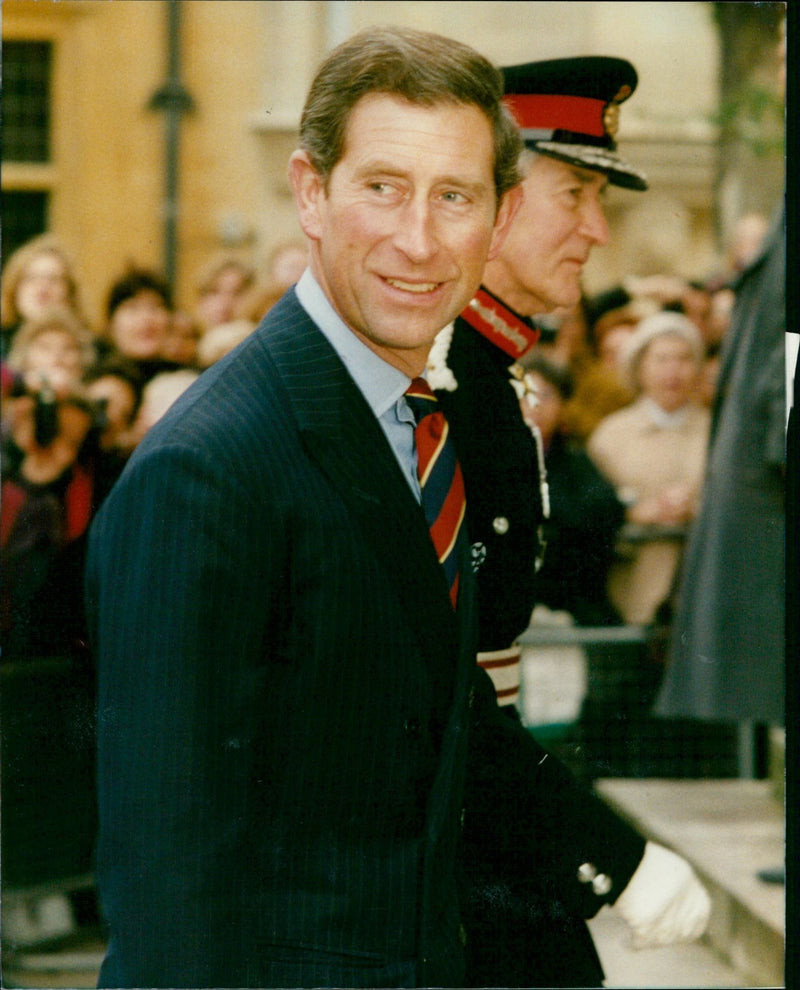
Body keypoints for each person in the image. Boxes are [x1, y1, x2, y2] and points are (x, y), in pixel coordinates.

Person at [86, 29, 708, 989]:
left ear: (494, 220)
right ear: (308, 193)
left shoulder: (412, 412)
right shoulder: (208, 468)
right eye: (383, 187)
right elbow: (170, 877)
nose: (419, 240)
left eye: (453, 197)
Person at [423, 57, 708, 987]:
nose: (596, 229)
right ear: (495, 202)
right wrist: (605, 854)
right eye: (574, 192)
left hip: (481, 818)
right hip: (443, 843)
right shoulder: (436, 383)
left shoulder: (492, 375)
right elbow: (430, 686)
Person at [1, 234, 88, 357]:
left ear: (70, 293)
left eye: (53, 280)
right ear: (14, 289)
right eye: (31, 278)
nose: (42, 289)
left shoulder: (90, 350)